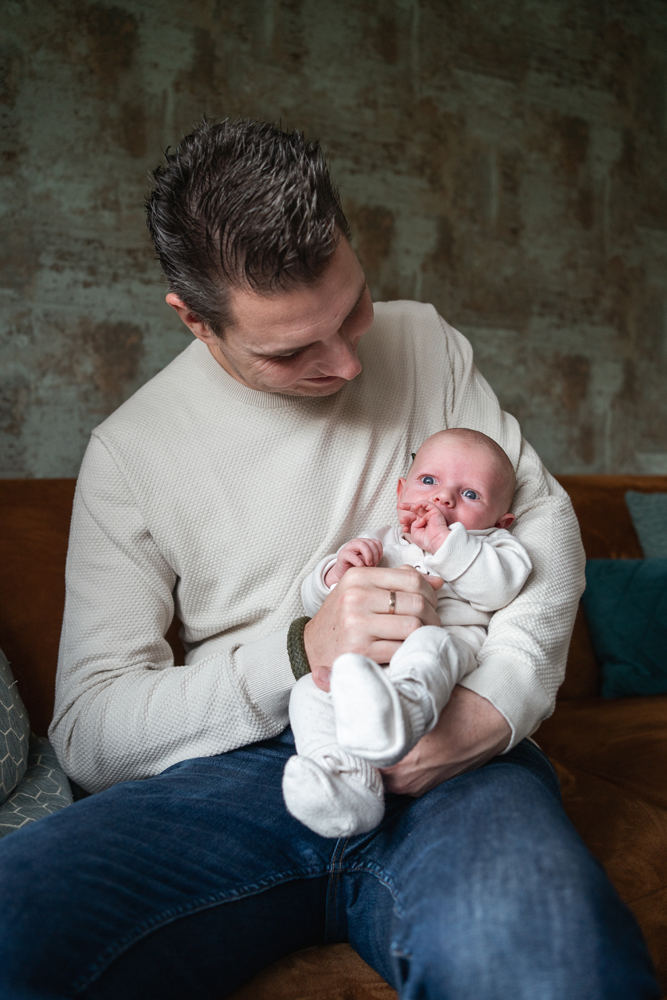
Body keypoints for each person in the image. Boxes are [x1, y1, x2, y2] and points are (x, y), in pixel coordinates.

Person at [0, 119, 659, 1000]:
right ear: (195, 321)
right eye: (291, 349)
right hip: (236, 768)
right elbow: (88, 732)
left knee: (553, 968)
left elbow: (541, 524)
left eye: (351, 309)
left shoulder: (426, 341)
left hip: (448, 726)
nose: (348, 363)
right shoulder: (131, 454)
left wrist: (491, 714)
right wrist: (296, 652)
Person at [284, 427, 533, 838]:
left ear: (501, 520)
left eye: (470, 494)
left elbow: (498, 587)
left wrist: (443, 542)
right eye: (429, 481)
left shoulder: (496, 547)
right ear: (401, 491)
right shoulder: (380, 541)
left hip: (444, 658)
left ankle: (402, 712)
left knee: (430, 645)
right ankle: (345, 784)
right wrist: (336, 573)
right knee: (308, 691)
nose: (443, 498)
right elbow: (318, 608)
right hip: (363, 668)